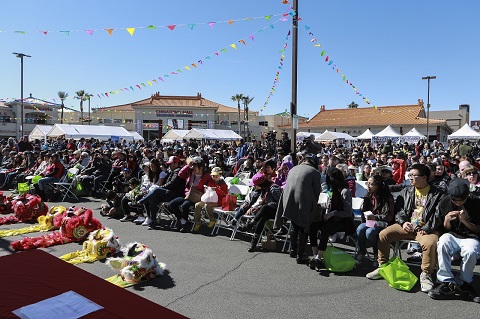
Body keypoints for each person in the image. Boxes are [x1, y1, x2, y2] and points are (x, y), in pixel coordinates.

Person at [366, 163, 445, 293]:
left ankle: (426, 274)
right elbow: (399, 210)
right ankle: (383, 266)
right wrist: (403, 222)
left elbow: (438, 216)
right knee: (383, 235)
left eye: (413, 175)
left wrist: (425, 228)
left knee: (430, 244)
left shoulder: (438, 194)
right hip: (407, 226)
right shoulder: (406, 191)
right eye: (409, 175)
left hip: (426, 229)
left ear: (424, 177)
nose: (410, 178)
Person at [428, 178, 480, 302]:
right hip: (452, 234)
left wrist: (464, 221)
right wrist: (446, 219)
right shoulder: (445, 202)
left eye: (461, 200)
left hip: (470, 236)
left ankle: (464, 281)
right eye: (454, 200)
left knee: (471, 251)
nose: (457, 203)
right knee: (442, 244)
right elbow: (445, 229)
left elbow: (477, 230)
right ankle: (446, 282)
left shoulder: (476, 203)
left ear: (467, 195)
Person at [274, 156, 321, 263]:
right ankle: (300, 255)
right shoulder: (314, 172)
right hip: (303, 200)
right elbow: (316, 192)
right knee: (304, 226)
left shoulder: (294, 169)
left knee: (295, 225)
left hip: (288, 199)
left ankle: (293, 250)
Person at [309, 167, 355, 270]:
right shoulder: (333, 190)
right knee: (313, 226)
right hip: (332, 218)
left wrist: (333, 213)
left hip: (345, 222)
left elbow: (347, 213)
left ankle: (319, 257)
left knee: (326, 229)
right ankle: (315, 255)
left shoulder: (344, 191)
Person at [355, 175, 395, 264]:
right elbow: (365, 211)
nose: (368, 186)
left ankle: (377, 253)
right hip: (371, 221)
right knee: (360, 229)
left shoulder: (388, 197)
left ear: (378, 185)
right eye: (367, 183)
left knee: (370, 232)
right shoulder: (368, 196)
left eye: (371, 184)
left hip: (383, 223)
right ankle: (362, 251)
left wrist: (376, 217)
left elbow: (389, 216)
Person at [168, 157, 212, 232]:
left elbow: (209, 189)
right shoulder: (190, 172)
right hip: (187, 195)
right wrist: (188, 166)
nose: (193, 168)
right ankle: (183, 221)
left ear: (200, 168)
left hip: (197, 197)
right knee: (172, 204)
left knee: (185, 205)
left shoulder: (206, 176)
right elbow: (180, 174)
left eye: (195, 166)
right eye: (193, 166)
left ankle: (184, 226)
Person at [246, 173, 282, 252]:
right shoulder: (264, 190)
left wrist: (266, 206)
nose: (254, 187)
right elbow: (263, 202)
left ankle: (252, 223)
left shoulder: (274, 188)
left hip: (278, 211)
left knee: (265, 207)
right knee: (262, 219)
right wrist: (257, 207)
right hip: (269, 211)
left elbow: (280, 203)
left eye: (255, 185)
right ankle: (253, 244)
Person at [192, 167, 228, 233]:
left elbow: (224, 195)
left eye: (216, 176)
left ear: (220, 175)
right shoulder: (210, 182)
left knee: (207, 205)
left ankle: (212, 219)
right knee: (197, 205)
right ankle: (198, 222)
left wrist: (216, 190)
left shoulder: (223, 184)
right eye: (213, 176)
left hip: (219, 201)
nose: (214, 177)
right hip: (209, 199)